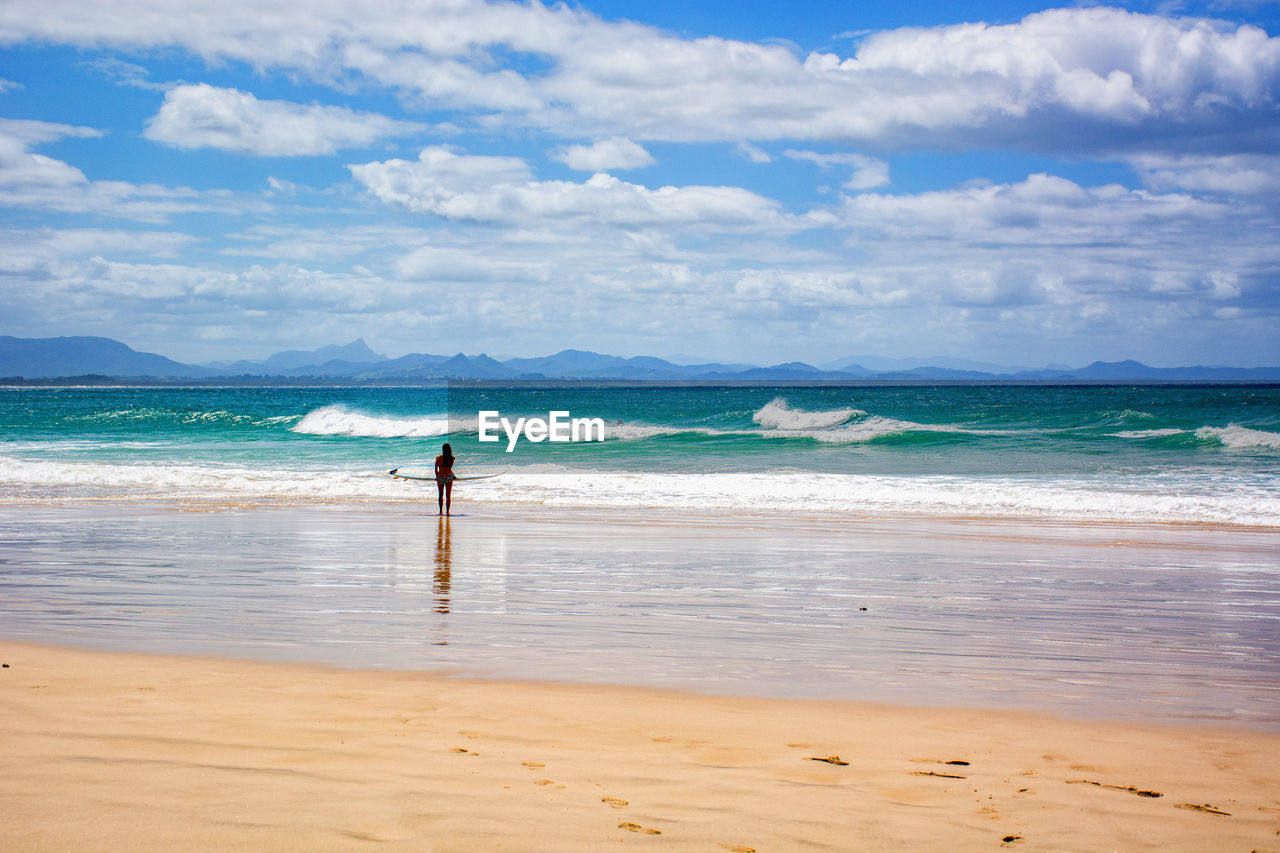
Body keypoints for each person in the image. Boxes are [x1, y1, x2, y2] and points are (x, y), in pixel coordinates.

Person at [434, 442, 456, 516]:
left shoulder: (438, 458)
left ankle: (440, 512)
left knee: (440, 495)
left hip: (440, 477)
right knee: (448, 496)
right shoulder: (452, 458)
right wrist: (453, 476)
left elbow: (436, 469)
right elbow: (449, 468)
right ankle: (448, 512)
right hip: (449, 477)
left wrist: (437, 477)